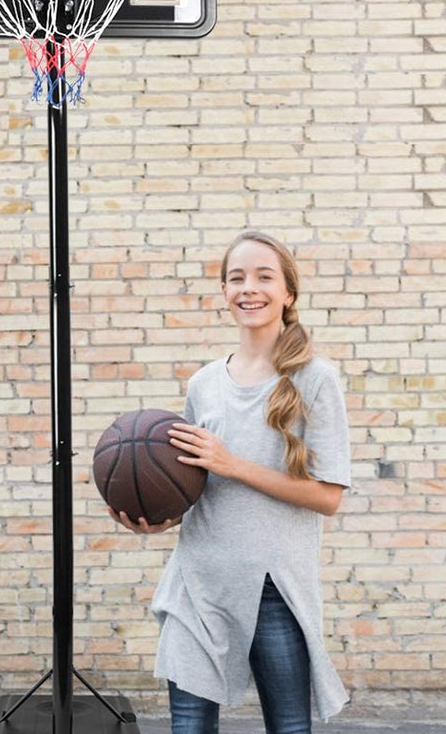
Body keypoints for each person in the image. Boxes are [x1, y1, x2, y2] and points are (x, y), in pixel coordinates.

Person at [110, 231, 351, 734]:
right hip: (197, 580)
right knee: (189, 727)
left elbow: (327, 497)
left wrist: (234, 463)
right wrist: (155, 517)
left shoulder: (314, 379)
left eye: (264, 276)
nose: (249, 288)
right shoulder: (203, 383)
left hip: (273, 586)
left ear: (288, 292)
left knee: (288, 727)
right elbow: (194, 487)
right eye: (236, 277)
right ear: (223, 291)